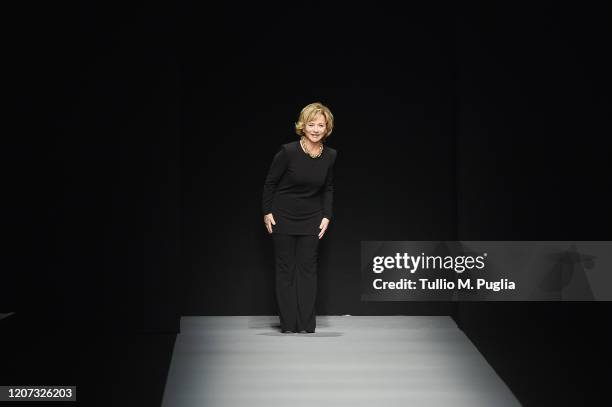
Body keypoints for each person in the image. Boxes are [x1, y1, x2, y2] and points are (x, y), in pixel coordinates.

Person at [262, 102, 337, 334]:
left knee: (307, 269)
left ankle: (305, 324)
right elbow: (270, 182)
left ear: (327, 128)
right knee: (286, 269)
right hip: (282, 216)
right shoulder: (288, 151)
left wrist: (327, 215)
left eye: (321, 125)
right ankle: (289, 324)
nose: (315, 129)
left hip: (312, 218)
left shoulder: (331, 155)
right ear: (302, 126)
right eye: (311, 124)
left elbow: (328, 188)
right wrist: (267, 212)